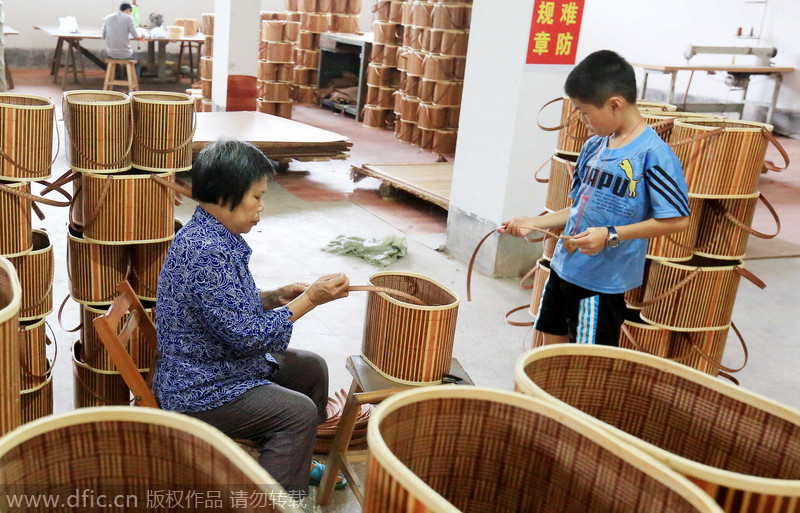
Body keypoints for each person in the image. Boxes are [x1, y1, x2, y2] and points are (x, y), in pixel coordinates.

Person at [151, 138, 351, 501]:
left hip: (216, 362)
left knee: (312, 368)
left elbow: (221, 309)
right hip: (199, 387)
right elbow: (247, 337)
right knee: (298, 413)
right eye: (256, 197)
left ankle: (295, 462)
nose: (262, 206)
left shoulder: (213, 234)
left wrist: (274, 297)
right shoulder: (207, 251)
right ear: (227, 195)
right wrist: (309, 300)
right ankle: (274, 504)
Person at [500, 50, 690, 346]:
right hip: (563, 269)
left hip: (601, 284)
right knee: (549, 353)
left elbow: (677, 220)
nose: (581, 119)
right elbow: (579, 208)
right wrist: (534, 222)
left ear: (615, 104)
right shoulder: (593, 147)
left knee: (582, 368)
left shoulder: (655, 156)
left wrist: (611, 235)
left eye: (585, 111)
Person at [102, 3, 140, 76]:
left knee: (115, 62)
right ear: (128, 10)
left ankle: (115, 81)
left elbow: (103, 36)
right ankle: (133, 81)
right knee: (138, 62)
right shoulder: (129, 18)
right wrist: (141, 36)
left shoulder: (107, 17)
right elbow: (135, 36)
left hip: (110, 53)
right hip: (126, 54)